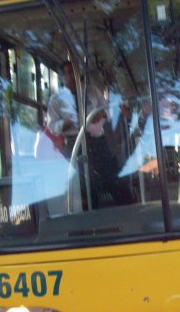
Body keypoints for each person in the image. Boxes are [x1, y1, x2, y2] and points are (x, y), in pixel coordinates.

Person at [43, 61, 133, 208]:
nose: (74, 75)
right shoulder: (56, 100)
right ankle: (92, 219)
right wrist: (64, 124)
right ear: (61, 77)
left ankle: (130, 209)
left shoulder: (91, 91)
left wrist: (101, 115)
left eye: (75, 71)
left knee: (112, 176)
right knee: (85, 184)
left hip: (97, 140)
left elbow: (108, 111)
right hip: (75, 143)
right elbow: (52, 126)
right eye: (69, 72)